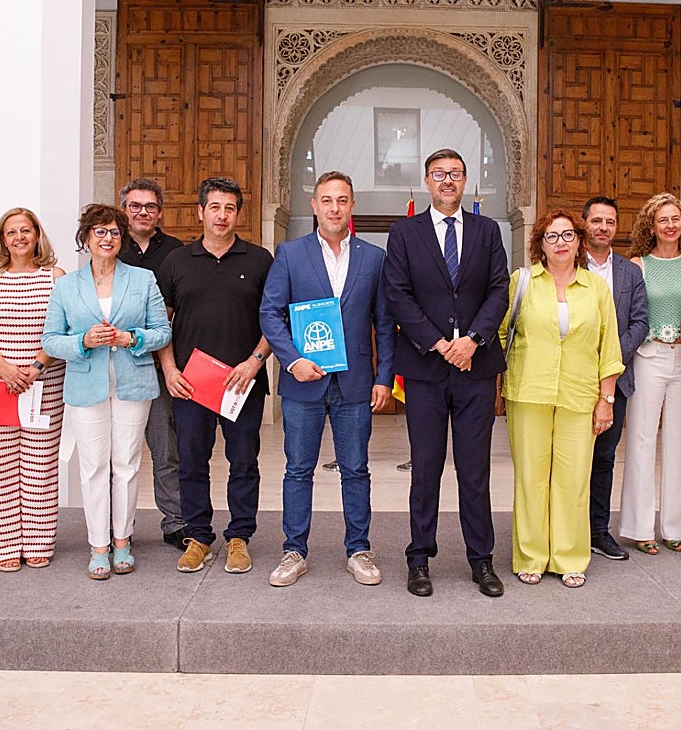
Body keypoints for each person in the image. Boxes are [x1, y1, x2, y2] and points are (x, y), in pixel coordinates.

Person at [259, 171, 395, 587]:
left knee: (356, 469)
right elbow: (270, 313)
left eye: (342, 200)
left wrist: (384, 376)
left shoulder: (374, 258)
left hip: (355, 383)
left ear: (352, 206)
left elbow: (384, 324)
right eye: (326, 200)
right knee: (298, 469)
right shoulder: (290, 254)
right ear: (314, 206)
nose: (334, 207)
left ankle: (359, 549)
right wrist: (292, 359)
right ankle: (294, 551)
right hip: (303, 382)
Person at [384, 147, 510, 598]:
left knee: (475, 472)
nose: (447, 181)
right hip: (424, 369)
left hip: (476, 368)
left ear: (465, 179)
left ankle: (482, 560)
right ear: (427, 180)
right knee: (426, 468)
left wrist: (472, 340)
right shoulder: (405, 233)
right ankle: (419, 558)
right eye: (439, 174)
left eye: (455, 174)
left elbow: (499, 290)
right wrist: (440, 344)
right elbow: (398, 295)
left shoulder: (487, 230)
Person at [42, 204, 172, 580]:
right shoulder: (66, 285)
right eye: (99, 232)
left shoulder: (143, 279)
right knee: (94, 465)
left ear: (123, 238)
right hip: (87, 382)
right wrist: (82, 340)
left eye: (114, 232)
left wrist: (132, 337)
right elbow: (51, 340)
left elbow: (162, 332)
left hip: (134, 382)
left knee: (127, 465)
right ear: (85, 238)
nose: (108, 238)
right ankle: (98, 545)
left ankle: (122, 541)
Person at [500, 210, 624, 588]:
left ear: (579, 240)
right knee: (531, 478)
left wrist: (607, 399)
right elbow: (503, 333)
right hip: (528, 392)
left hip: (579, 394)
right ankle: (531, 555)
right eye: (551, 236)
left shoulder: (596, 288)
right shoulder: (522, 281)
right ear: (540, 243)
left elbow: (610, 347)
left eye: (567, 235)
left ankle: (570, 557)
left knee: (574, 479)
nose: (560, 243)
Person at [158, 177, 274, 576]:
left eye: (229, 208)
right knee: (192, 460)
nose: (222, 215)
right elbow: (162, 324)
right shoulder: (176, 262)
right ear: (200, 211)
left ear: (238, 213)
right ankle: (199, 536)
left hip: (244, 383)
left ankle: (239, 536)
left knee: (243, 461)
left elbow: (274, 320)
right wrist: (170, 369)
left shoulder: (260, 260)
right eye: (215, 207)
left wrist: (255, 361)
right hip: (192, 385)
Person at [0, 208, 66, 572]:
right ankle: (1, 545)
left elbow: (63, 328)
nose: (19, 237)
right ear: (2, 238)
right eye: (12, 232)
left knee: (40, 465)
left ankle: (37, 542)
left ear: (37, 234)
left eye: (26, 230)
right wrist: (5, 369)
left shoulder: (54, 276)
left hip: (44, 382)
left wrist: (35, 367)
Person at [619, 192, 681, 556]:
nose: (670, 225)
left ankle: (676, 526)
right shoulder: (638, 265)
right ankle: (639, 526)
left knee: (680, 441)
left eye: (675, 219)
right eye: (662, 220)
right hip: (648, 356)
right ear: (651, 226)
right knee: (641, 439)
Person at [117, 178, 187, 550]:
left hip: (158, 368)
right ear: (124, 210)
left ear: (160, 212)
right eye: (134, 206)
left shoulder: (176, 252)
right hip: (115, 369)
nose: (142, 212)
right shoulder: (109, 247)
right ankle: (116, 528)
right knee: (118, 453)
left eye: (149, 206)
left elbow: (178, 314)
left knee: (166, 449)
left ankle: (175, 521)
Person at [582, 196, 648, 561]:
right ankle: (565, 530)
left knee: (604, 459)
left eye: (610, 221)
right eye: (596, 221)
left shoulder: (630, 273)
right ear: (584, 224)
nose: (603, 227)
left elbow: (640, 322)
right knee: (570, 458)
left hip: (616, 380)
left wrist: (609, 362)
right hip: (573, 379)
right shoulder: (569, 264)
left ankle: (597, 531)